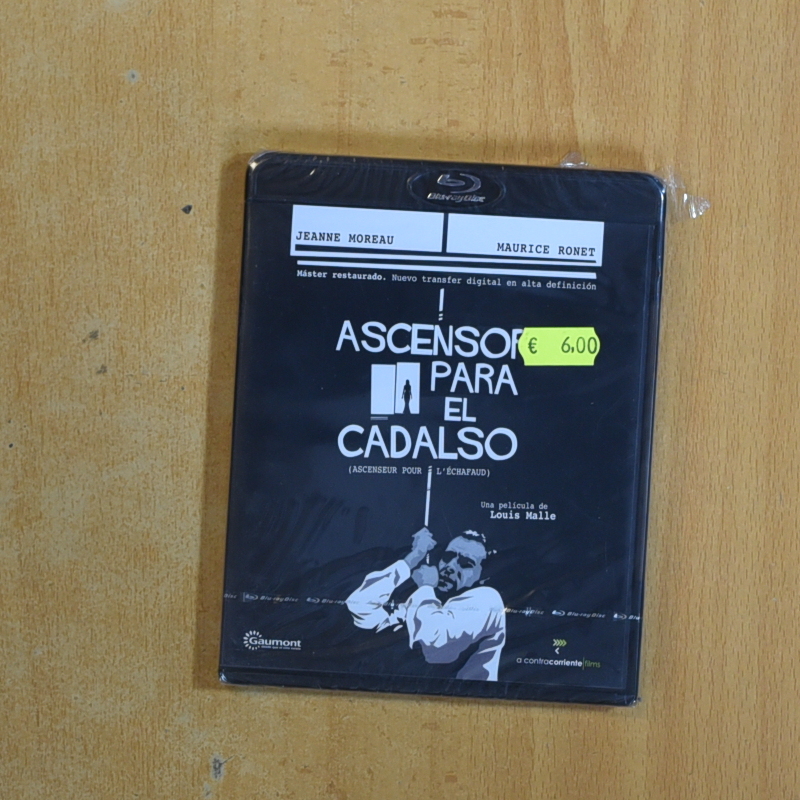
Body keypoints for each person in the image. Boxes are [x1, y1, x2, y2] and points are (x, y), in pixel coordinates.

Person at [346, 527, 506, 680]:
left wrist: (426, 586)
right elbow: (360, 606)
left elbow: (435, 644)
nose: (450, 567)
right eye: (448, 557)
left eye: (465, 564)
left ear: (484, 575)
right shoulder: (424, 603)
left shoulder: (487, 600)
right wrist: (413, 557)